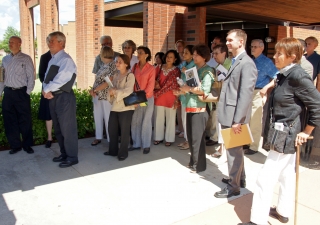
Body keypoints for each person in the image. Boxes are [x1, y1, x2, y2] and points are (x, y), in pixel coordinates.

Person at [239, 37, 320, 225]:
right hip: (281, 133)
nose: (274, 56)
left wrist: (307, 132)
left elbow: (317, 104)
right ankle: (283, 211)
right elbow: (279, 86)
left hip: (286, 135)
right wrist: (268, 88)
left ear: (292, 57)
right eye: (274, 52)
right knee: (286, 175)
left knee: (264, 180)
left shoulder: (298, 76)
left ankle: (257, 220)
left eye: (279, 54)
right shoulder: (284, 74)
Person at [214, 29, 258, 198]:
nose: (227, 42)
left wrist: (238, 120)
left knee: (233, 152)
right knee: (236, 151)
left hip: (234, 117)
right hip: (230, 114)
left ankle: (234, 187)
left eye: (230, 40)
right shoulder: (236, 61)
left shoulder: (246, 63)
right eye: (227, 39)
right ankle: (240, 179)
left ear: (241, 42)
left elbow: (245, 94)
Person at [43, 31, 78, 168]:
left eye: (52, 41)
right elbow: (47, 78)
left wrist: (47, 90)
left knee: (67, 128)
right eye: (48, 41)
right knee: (58, 128)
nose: (49, 43)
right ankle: (64, 153)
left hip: (64, 97)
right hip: (54, 96)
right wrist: (45, 90)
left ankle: (72, 157)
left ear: (61, 42)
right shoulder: (53, 58)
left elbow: (62, 78)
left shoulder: (65, 59)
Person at [179, 44, 214, 173]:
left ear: (204, 57)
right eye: (193, 54)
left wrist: (188, 89)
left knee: (197, 138)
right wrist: (183, 90)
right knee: (191, 136)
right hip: (190, 105)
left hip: (201, 107)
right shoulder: (193, 69)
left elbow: (204, 90)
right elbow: (189, 87)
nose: (193, 56)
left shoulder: (208, 70)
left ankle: (198, 165)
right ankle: (193, 162)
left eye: (196, 54)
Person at [1, 36, 35, 154]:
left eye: (12, 42)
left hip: (21, 93)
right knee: (9, 120)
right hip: (8, 93)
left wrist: (27, 92)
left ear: (19, 43)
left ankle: (27, 145)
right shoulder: (5, 59)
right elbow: (2, 78)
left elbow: (31, 76)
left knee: (25, 119)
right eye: (9, 42)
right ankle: (15, 145)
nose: (10, 44)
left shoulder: (26, 58)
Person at [244, 39, 279, 155]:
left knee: (255, 119)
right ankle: (246, 141)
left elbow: (277, 77)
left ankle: (253, 146)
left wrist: (266, 88)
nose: (252, 48)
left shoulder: (266, 62)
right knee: (246, 119)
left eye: (255, 47)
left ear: (261, 48)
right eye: (251, 46)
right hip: (248, 92)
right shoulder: (251, 61)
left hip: (258, 92)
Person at [105, 54, 135, 161]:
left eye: (120, 62)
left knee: (124, 131)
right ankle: (113, 151)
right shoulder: (116, 75)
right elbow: (113, 90)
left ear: (126, 64)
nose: (117, 64)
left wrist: (115, 91)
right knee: (112, 129)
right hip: (115, 106)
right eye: (116, 61)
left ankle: (123, 153)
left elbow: (128, 91)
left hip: (126, 107)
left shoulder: (130, 76)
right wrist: (111, 93)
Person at [89, 46, 117, 146]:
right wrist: (94, 91)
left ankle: (111, 140)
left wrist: (95, 89)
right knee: (98, 116)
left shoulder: (112, 65)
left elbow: (109, 81)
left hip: (106, 96)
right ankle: (98, 136)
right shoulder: (103, 65)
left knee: (108, 117)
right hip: (97, 96)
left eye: (101, 52)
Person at [131, 46, 155, 154]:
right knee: (135, 121)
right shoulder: (134, 67)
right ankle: (136, 144)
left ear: (146, 55)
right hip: (136, 98)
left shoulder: (151, 69)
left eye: (140, 53)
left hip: (146, 98)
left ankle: (146, 145)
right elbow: (131, 82)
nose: (138, 55)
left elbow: (150, 86)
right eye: (138, 52)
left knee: (146, 121)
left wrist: (142, 98)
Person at [153, 50, 181, 146]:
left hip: (171, 96)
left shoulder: (176, 70)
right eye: (167, 56)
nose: (168, 58)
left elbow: (176, 84)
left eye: (171, 57)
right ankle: (158, 137)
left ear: (175, 59)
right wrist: (155, 84)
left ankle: (169, 138)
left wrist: (177, 98)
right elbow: (153, 78)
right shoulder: (159, 67)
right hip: (159, 96)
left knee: (170, 118)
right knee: (158, 118)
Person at [210, 44, 232, 159]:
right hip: (220, 98)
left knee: (226, 125)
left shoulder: (231, 64)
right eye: (213, 53)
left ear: (224, 53)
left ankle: (225, 148)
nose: (214, 56)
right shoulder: (219, 66)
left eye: (216, 53)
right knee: (220, 124)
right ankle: (222, 147)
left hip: (229, 99)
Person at [174, 45, 195, 150]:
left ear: (192, 55)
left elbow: (193, 83)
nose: (183, 54)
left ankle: (189, 141)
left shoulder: (192, 65)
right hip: (183, 96)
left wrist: (186, 73)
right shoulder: (184, 64)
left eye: (186, 53)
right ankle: (187, 140)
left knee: (188, 120)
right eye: (184, 52)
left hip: (190, 97)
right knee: (184, 119)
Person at [205, 36, 223, 147]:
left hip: (217, 92)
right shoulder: (211, 58)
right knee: (210, 115)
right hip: (209, 90)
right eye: (212, 42)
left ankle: (215, 137)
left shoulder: (223, 64)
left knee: (216, 116)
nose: (213, 44)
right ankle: (210, 134)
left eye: (216, 43)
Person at [38, 37, 53, 148]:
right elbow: (41, 75)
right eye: (49, 42)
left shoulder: (64, 57)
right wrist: (48, 88)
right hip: (47, 90)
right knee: (48, 115)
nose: (50, 44)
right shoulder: (44, 57)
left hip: (59, 91)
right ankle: (49, 137)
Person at [175, 40, 185, 137]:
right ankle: (180, 128)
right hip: (177, 85)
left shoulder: (186, 60)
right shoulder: (176, 59)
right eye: (177, 46)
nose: (179, 48)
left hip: (184, 85)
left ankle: (184, 130)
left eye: (180, 46)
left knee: (183, 108)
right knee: (178, 108)